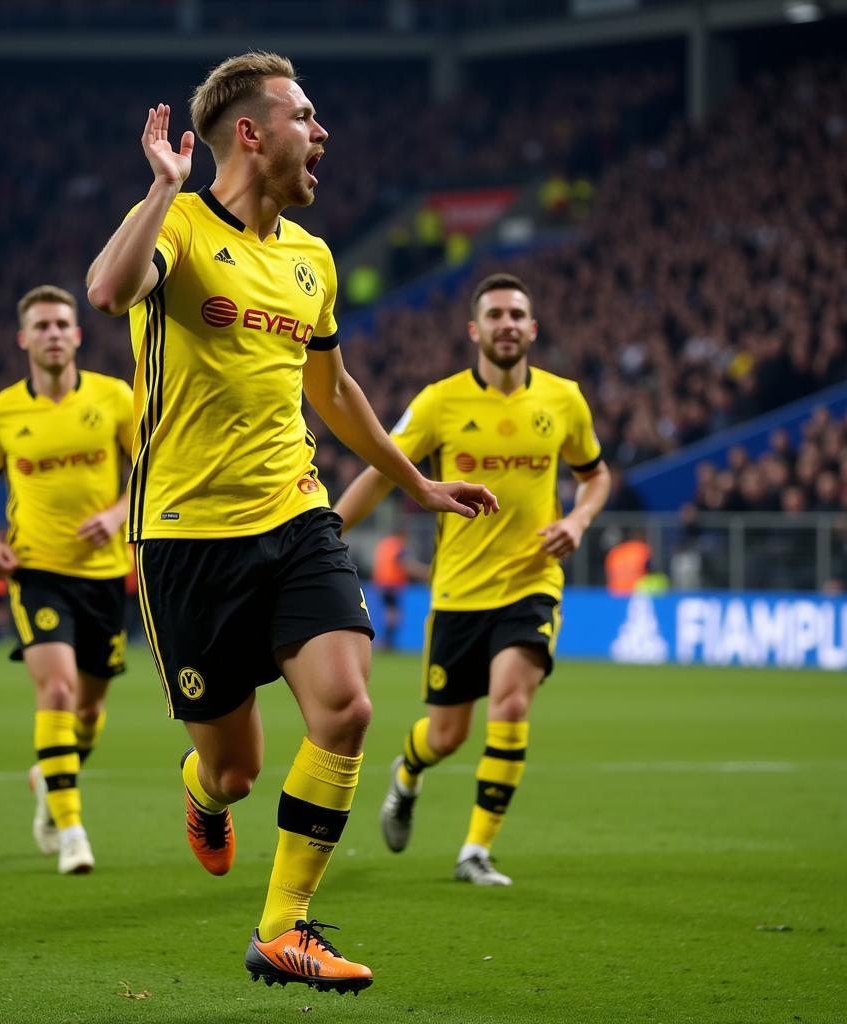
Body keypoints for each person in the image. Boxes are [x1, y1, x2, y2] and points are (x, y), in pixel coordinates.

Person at [85, 52, 497, 993]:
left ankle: (284, 928)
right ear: (251, 132)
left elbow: (336, 390)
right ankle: (202, 794)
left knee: (348, 707)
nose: (324, 135)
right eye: (306, 117)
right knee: (233, 771)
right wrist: (158, 187)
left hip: (296, 515)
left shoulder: (313, 259)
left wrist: (417, 483)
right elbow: (110, 292)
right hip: (186, 536)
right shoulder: (182, 226)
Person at [335, 272, 611, 887]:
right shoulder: (440, 402)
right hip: (458, 590)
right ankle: (407, 774)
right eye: (496, 315)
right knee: (445, 733)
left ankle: (475, 851)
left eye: (517, 314)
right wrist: (326, 530)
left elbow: (595, 474)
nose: (507, 324)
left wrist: (580, 519)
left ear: (532, 328)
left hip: (531, 582)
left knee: (512, 701)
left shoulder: (564, 399)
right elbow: (384, 469)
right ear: (475, 330)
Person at [0, 284, 134, 876]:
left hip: (107, 576)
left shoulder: (116, 399)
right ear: (24, 339)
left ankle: (50, 775)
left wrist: (117, 514)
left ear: (78, 334)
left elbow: (149, 469)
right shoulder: (0, 411)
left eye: (63, 323)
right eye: (42, 326)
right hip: (37, 571)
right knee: (57, 693)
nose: (54, 333)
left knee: (87, 713)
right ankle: (71, 830)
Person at [371, 524, 429, 650]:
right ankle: (387, 642)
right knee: (393, 614)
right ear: (403, 534)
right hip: (391, 584)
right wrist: (426, 573)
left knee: (389, 613)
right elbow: (406, 565)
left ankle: (385, 641)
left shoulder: (385, 544)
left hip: (382, 583)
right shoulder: (398, 546)